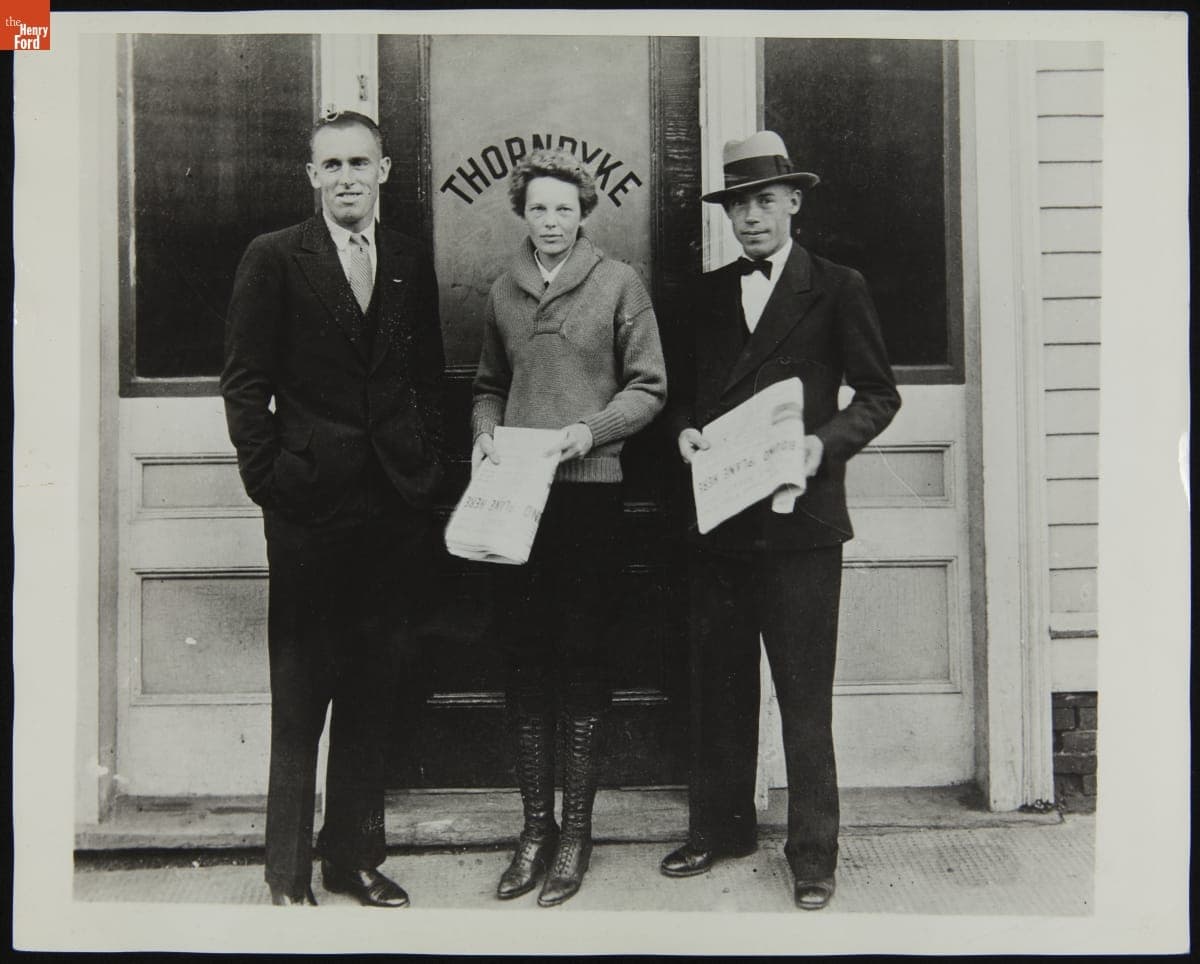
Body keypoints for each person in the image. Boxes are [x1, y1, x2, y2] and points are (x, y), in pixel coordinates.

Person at [660, 131, 900, 910]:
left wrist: (817, 447)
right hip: (721, 519)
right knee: (718, 684)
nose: (751, 218)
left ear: (794, 201)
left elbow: (877, 395)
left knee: (803, 694)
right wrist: (684, 431)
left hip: (800, 527)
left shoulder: (837, 287)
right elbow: (683, 396)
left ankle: (813, 854)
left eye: (765, 201)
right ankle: (721, 828)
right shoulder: (702, 294)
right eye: (738, 205)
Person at [221, 110, 445, 907]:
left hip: (392, 506)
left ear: (384, 172)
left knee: (373, 686)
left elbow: (424, 378)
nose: (347, 176)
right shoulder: (276, 258)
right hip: (309, 509)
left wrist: (426, 476)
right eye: (332, 165)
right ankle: (286, 873)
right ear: (312, 177)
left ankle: (351, 857)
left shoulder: (410, 259)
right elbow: (245, 382)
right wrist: (270, 478)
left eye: (361, 163)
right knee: (302, 685)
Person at [471, 148, 667, 906]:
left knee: (583, 658)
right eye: (538, 209)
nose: (550, 222)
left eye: (563, 209)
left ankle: (577, 833)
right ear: (522, 214)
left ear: (584, 212)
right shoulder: (501, 290)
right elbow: (488, 386)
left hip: (589, 497)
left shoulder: (619, 283)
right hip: (517, 499)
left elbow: (650, 385)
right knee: (523, 659)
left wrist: (593, 431)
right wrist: (485, 433)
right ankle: (534, 830)